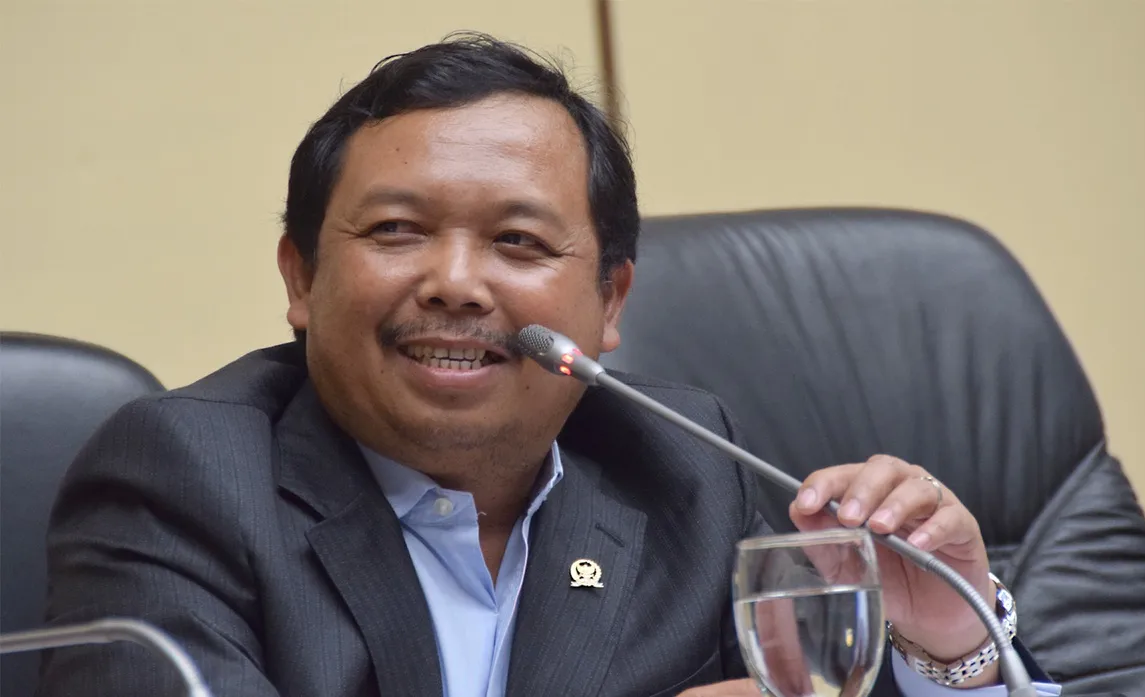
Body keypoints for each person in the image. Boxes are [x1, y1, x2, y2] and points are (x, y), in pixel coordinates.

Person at [36, 34, 1060, 697]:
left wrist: (947, 646)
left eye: (518, 243)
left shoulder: (680, 466)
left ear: (609, 302)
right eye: (396, 231)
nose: (454, 283)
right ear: (301, 278)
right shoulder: (183, 476)